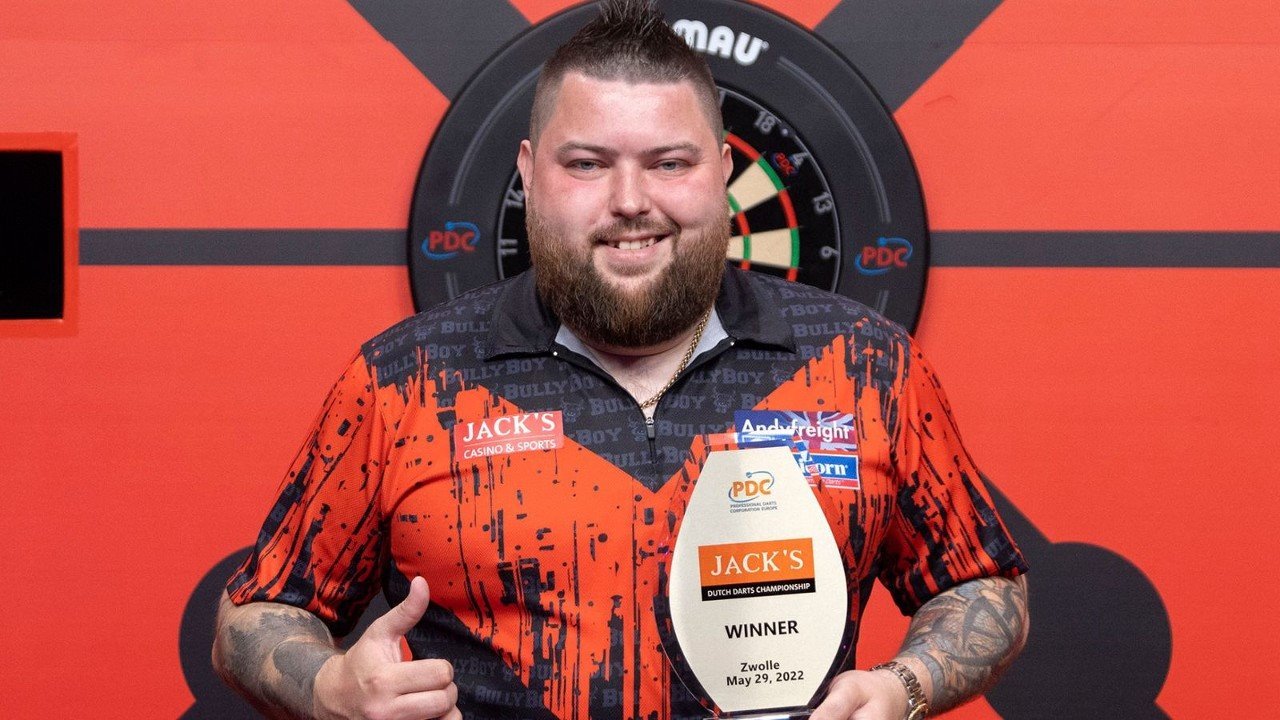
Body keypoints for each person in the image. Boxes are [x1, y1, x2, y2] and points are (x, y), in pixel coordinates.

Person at [212, 1, 1028, 718]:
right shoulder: (405, 382)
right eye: (587, 164)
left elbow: (984, 583)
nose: (631, 201)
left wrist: (907, 686)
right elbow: (252, 616)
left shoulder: (867, 367)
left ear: (722, 172)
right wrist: (329, 689)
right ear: (529, 174)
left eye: (669, 163)